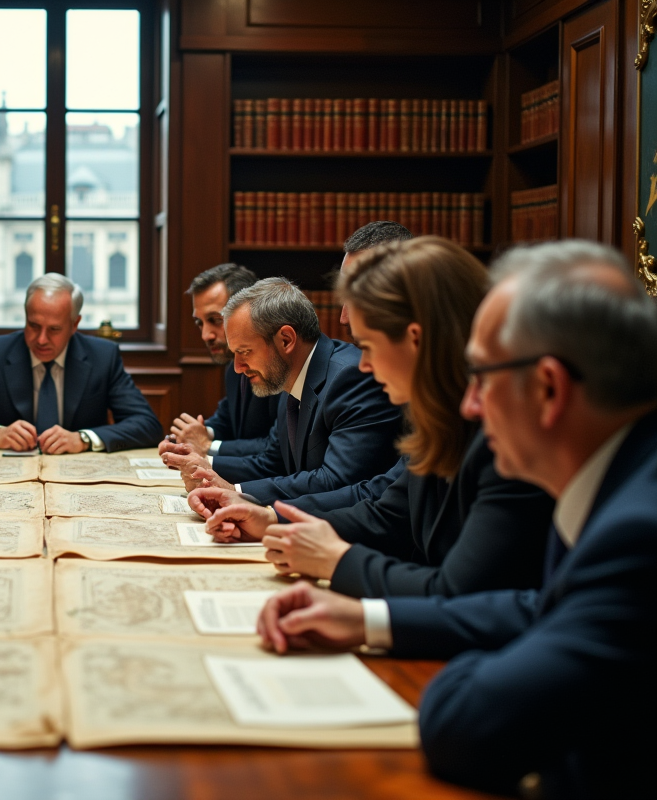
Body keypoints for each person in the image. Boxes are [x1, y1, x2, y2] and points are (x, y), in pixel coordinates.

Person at [255, 241, 657, 798]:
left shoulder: (637, 532)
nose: (471, 404)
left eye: (483, 376)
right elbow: (536, 607)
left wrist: (357, 585)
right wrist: (367, 619)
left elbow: (464, 723)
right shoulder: (622, 481)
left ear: (548, 388)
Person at [196, 237, 553, 598]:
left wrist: (337, 565)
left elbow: (461, 592)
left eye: (367, 346)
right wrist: (271, 519)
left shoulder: (503, 439)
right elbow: (387, 508)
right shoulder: (438, 419)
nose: (363, 364)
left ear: (415, 339)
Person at [163, 277, 402, 499]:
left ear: (286, 340)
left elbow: (336, 481)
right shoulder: (291, 379)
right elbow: (272, 463)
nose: (237, 367)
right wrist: (204, 466)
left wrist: (233, 491)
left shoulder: (350, 377)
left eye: (244, 352)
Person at [0, 273, 164, 453]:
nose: (41, 339)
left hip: (80, 478)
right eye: (33, 325)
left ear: (75, 324)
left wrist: (83, 439)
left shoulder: (103, 356)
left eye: (54, 329)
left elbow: (148, 426)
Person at [159, 263, 278, 459]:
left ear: (247, 311)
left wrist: (207, 445)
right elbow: (227, 419)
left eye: (215, 319)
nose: (206, 335)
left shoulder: (280, 366)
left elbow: (279, 447)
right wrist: (189, 437)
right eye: (199, 323)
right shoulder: (234, 365)